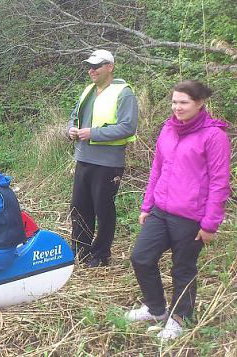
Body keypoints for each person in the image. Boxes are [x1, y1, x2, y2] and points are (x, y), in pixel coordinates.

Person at [125, 80, 230, 340]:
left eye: (183, 102)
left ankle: (179, 317)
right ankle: (156, 309)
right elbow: (157, 170)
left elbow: (220, 182)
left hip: (191, 216)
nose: (177, 107)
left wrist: (209, 224)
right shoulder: (168, 129)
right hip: (161, 209)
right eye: (174, 102)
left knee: (182, 268)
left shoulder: (214, 136)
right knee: (141, 257)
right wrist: (147, 205)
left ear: (199, 103)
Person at [67, 49, 139, 267]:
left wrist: (93, 133)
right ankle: (80, 251)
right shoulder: (87, 91)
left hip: (108, 164)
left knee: (103, 210)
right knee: (79, 207)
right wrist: (70, 129)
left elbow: (128, 127)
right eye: (90, 66)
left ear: (110, 67)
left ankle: (101, 255)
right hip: (84, 159)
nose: (92, 70)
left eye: (96, 66)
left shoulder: (123, 92)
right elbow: (73, 118)